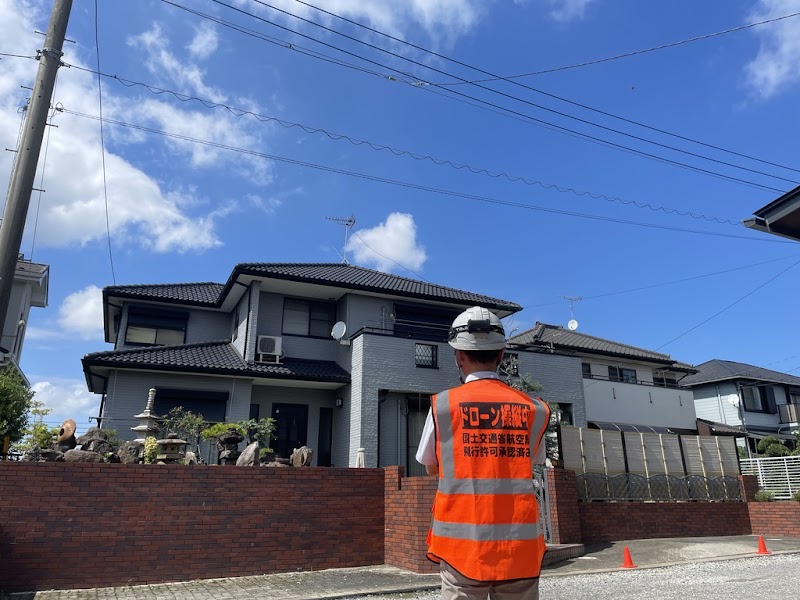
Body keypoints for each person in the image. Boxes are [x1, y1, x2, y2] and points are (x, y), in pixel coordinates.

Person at [416, 306, 551, 600]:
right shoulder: (534, 409)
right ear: (502, 355)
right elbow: (531, 462)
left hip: (461, 549)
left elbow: (430, 467)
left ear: (459, 356)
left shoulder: (443, 406)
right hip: (520, 549)